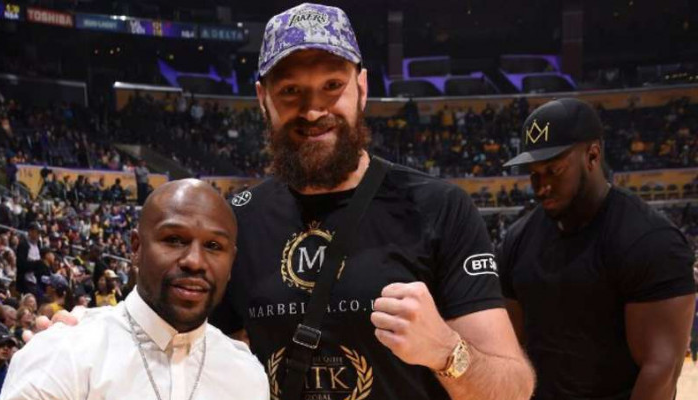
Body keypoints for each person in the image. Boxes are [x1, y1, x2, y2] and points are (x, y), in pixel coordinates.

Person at [210, 4, 534, 400]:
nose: (313, 110)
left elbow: (515, 387)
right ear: (263, 98)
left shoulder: (438, 207)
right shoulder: (237, 220)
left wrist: (446, 351)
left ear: (361, 88)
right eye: (291, 91)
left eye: (332, 85)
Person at [498, 98, 696, 399]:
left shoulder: (651, 241)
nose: (541, 186)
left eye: (554, 170)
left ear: (592, 155)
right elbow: (509, 350)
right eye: (534, 174)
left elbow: (660, 372)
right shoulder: (517, 239)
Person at [0, 179, 268, 400]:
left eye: (213, 246)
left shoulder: (246, 375)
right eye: (174, 239)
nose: (195, 261)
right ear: (137, 248)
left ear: (231, 262)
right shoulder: (63, 354)